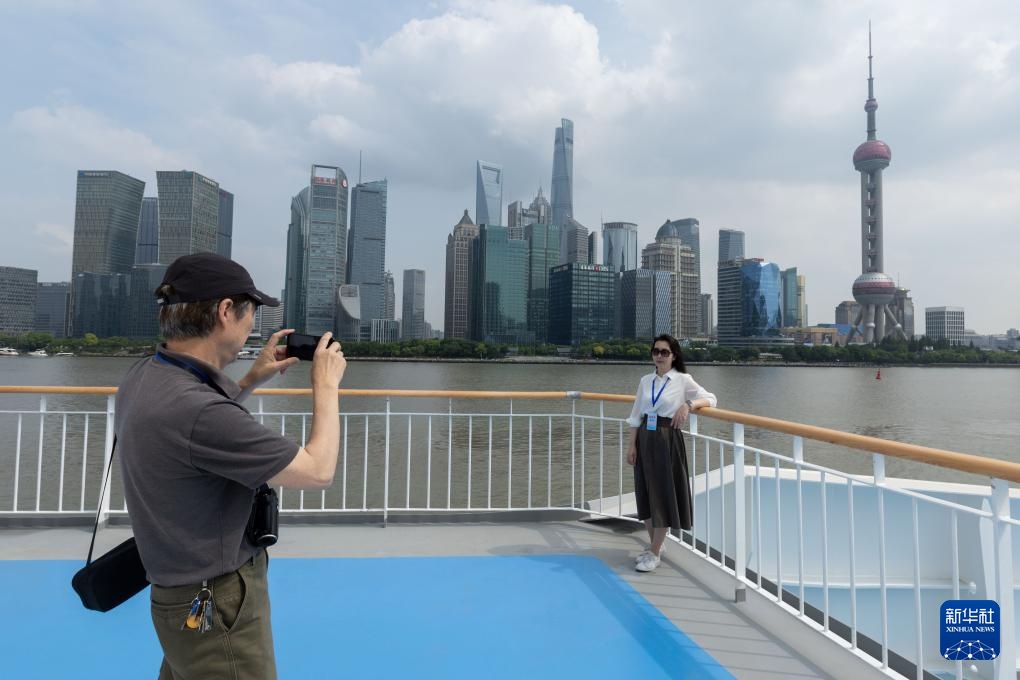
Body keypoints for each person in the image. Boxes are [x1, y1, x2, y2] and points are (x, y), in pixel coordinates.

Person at [116, 252, 347, 679]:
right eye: (250, 316)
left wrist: (246, 382)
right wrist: (326, 386)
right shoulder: (199, 411)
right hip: (218, 601)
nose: (250, 329)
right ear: (225, 311)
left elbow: (194, 436)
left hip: (177, 594)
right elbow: (318, 471)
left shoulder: (144, 375)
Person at [625, 334, 716, 573]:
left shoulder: (682, 379)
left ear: (674, 355)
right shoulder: (646, 380)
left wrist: (688, 405)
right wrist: (631, 445)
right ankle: (656, 544)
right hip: (645, 436)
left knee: (663, 492)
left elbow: (711, 398)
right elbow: (636, 415)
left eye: (665, 352)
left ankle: (654, 551)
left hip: (667, 438)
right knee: (645, 490)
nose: (659, 356)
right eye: (656, 351)